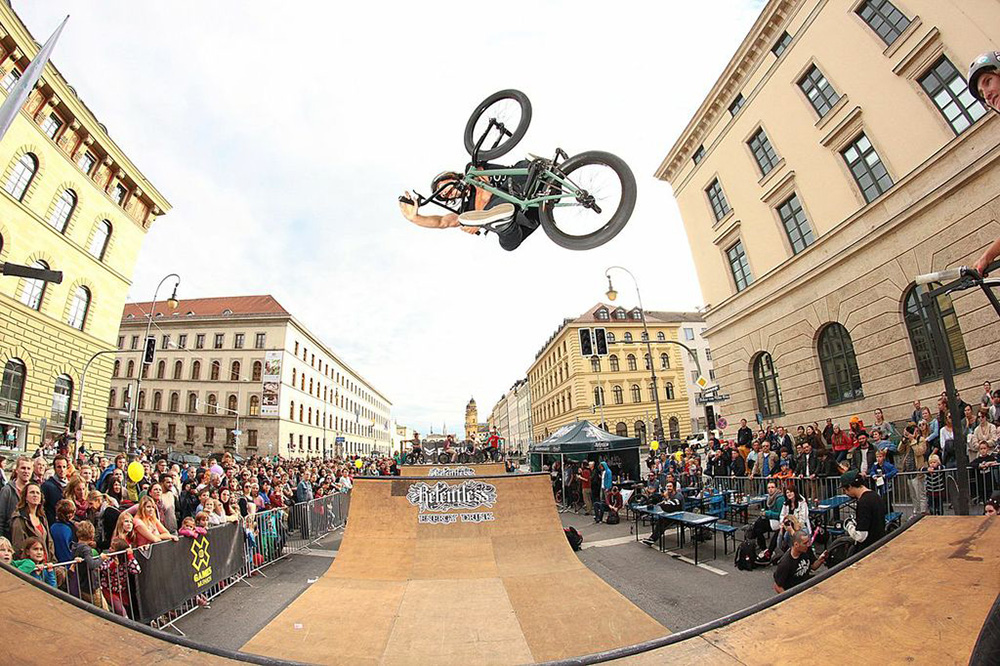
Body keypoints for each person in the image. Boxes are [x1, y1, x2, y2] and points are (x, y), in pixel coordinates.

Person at [398, 163, 539, 252]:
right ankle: (504, 224)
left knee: (491, 208)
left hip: (524, 180)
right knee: (508, 245)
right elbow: (443, 222)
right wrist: (415, 218)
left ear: (453, 177)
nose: (449, 193)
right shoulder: (467, 210)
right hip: (533, 210)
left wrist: (478, 221)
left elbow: (484, 193)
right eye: (445, 195)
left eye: (446, 187)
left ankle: (497, 217)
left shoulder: (472, 171)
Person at [841, 470, 885, 551]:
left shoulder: (864, 502)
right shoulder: (875, 495)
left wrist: (849, 526)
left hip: (868, 549)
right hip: (880, 543)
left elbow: (861, 536)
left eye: (845, 490)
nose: (845, 493)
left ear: (850, 486)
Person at [9, 482, 54, 562]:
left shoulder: (42, 518)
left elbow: (49, 542)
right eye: (32, 492)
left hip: (46, 565)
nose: (35, 495)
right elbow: (18, 546)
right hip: (30, 566)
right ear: (25, 497)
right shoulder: (19, 518)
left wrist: (52, 561)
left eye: (37, 493)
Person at [772, 530, 827, 594]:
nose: (808, 545)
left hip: (806, 585)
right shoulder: (785, 563)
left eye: (808, 542)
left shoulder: (807, 550)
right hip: (795, 591)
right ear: (796, 545)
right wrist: (790, 598)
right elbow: (777, 586)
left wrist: (820, 560)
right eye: (805, 543)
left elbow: (813, 566)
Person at [0, 456, 32, 539]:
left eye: (28, 468)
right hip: (10, 537)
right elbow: (1, 518)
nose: (26, 471)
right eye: (23, 468)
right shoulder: (7, 491)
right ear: (17, 470)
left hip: (30, 539)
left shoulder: (36, 490)